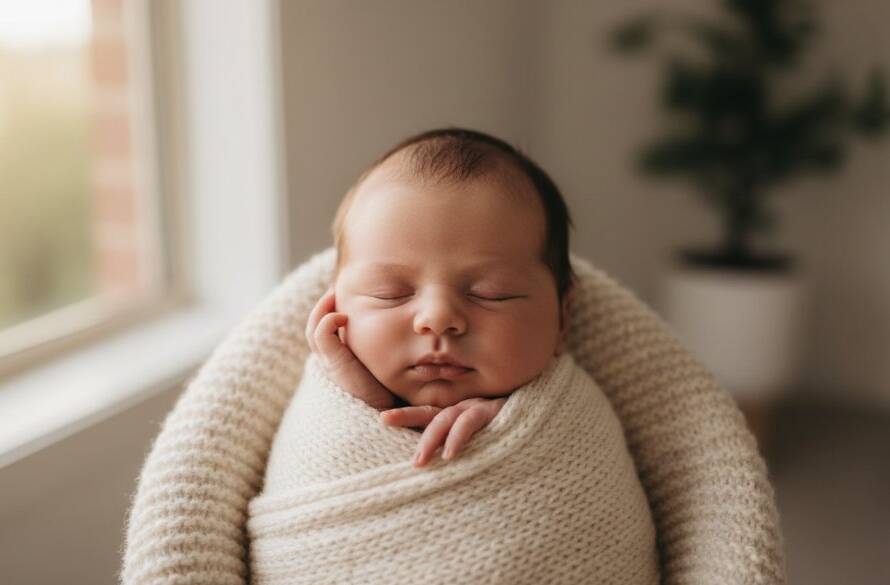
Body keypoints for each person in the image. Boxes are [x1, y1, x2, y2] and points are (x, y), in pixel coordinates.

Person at [305, 127, 576, 467]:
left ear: (563, 317)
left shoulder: (572, 412)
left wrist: (511, 422)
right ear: (334, 305)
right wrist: (363, 402)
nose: (437, 318)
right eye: (390, 294)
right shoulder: (320, 398)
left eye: (491, 294)